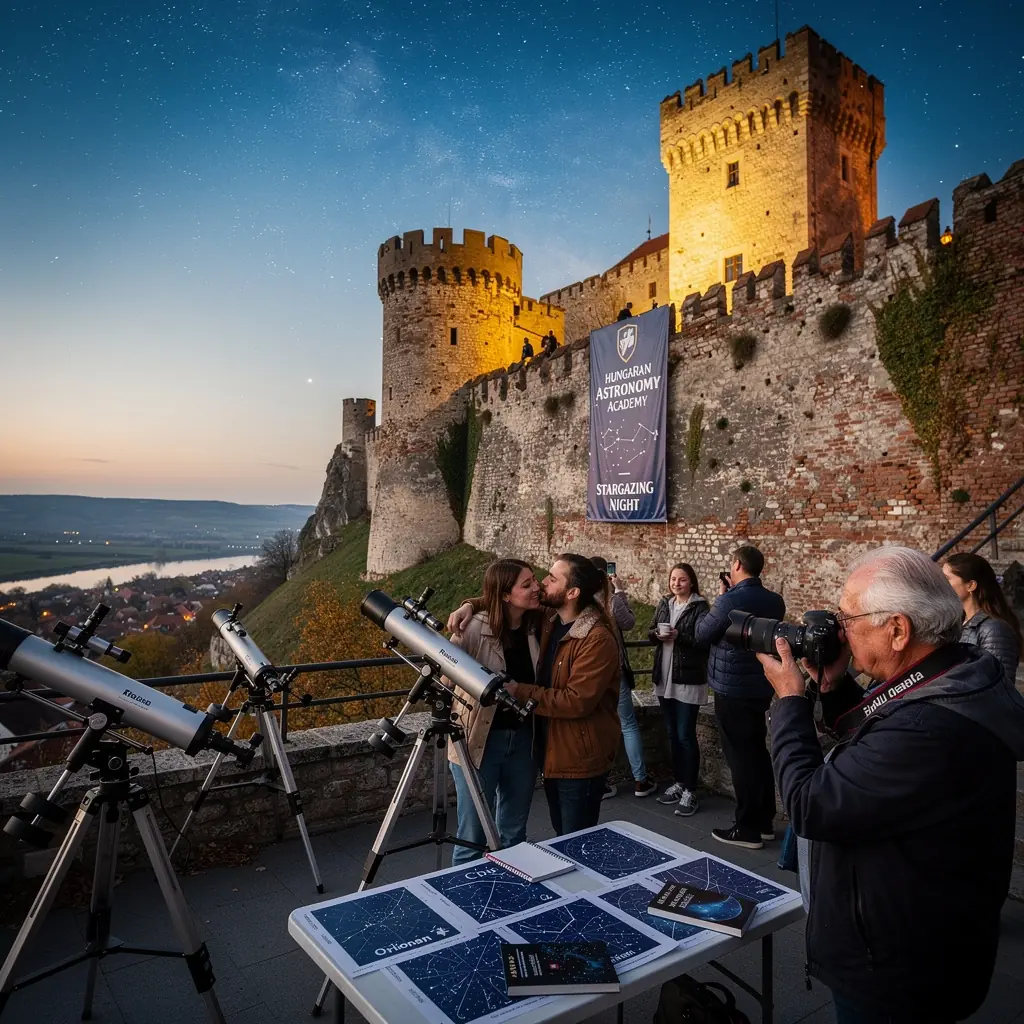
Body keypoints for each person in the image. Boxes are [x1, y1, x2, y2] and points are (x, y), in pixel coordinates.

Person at [761, 545, 1024, 1023]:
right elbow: (877, 742)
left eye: (848, 617)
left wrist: (790, 702)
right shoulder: (956, 674)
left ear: (898, 630)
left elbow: (810, 805)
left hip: (895, 968)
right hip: (928, 940)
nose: (839, 630)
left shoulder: (928, 727)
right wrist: (834, 687)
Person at [449, 554, 621, 836]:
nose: (542, 583)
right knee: (553, 834)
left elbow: (576, 701)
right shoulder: (551, 618)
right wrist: (470, 605)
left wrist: (518, 691)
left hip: (577, 757)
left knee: (573, 839)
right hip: (548, 750)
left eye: (551, 578)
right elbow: (506, 596)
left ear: (572, 593)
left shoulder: (595, 638)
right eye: (535, 580)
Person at [447, 559, 542, 864]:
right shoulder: (474, 628)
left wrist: (470, 602)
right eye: (526, 584)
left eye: (535, 580)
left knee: (514, 833)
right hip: (479, 742)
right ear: (505, 595)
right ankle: (464, 892)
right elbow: (445, 678)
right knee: (472, 838)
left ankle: (507, 889)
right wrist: (469, 607)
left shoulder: (536, 623)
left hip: (523, 740)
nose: (537, 587)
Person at [693, 544, 785, 848]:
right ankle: (764, 821)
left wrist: (722, 597)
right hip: (760, 685)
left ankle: (747, 829)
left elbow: (702, 634)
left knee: (740, 757)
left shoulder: (728, 601)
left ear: (736, 565)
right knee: (757, 751)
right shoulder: (775, 601)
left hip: (731, 688)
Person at [590, 556, 656, 799]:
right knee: (627, 725)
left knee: (599, 726)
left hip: (590, 674)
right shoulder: (611, 600)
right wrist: (619, 590)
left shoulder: (582, 602)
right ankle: (640, 780)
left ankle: (600, 782)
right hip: (615, 671)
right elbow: (628, 623)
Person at [648, 563, 709, 816]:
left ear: (691, 582)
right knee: (673, 734)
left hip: (687, 679)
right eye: (673, 579)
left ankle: (690, 790)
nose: (676, 584)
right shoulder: (665, 603)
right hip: (665, 677)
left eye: (682, 580)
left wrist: (678, 636)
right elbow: (650, 631)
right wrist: (657, 634)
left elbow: (703, 640)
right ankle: (679, 782)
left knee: (685, 735)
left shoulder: (700, 607)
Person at [943, 552, 1021, 682]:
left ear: (971, 585)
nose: (941, 585)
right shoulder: (957, 622)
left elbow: (1000, 684)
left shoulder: (994, 630)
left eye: (946, 579)